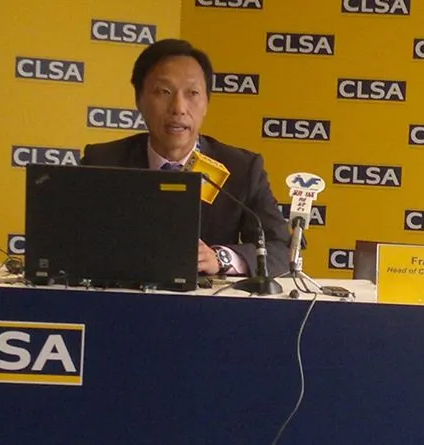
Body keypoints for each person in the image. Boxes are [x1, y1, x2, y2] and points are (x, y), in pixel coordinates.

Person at [80, 38, 291, 278]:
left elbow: (281, 249)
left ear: (207, 103)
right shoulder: (103, 162)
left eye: (192, 93)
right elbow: (72, 239)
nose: (178, 108)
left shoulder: (241, 169)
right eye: (164, 92)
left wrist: (220, 258)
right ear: (139, 100)